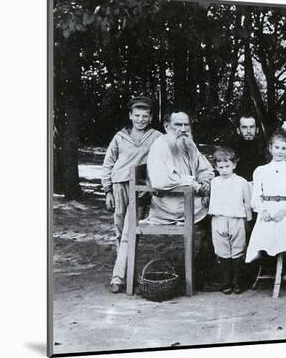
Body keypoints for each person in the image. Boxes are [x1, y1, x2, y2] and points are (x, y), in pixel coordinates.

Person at [109, 111, 214, 293]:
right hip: (170, 206)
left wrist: (204, 181)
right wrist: (194, 184)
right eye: (178, 125)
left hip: (189, 201)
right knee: (217, 216)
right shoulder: (161, 146)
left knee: (224, 214)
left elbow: (204, 167)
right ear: (167, 127)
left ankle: (203, 273)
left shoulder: (189, 144)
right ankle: (201, 276)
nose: (183, 129)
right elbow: (161, 181)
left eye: (186, 125)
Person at [102, 96, 162, 251]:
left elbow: (165, 160)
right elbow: (108, 163)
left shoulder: (157, 137)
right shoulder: (119, 137)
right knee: (120, 223)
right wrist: (108, 190)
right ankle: (121, 267)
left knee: (134, 225)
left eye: (145, 116)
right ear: (130, 116)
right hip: (119, 184)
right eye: (137, 115)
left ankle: (128, 264)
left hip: (141, 187)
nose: (140, 120)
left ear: (151, 118)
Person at [245, 132, 286, 263]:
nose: (280, 151)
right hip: (267, 210)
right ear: (270, 148)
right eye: (277, 148)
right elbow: (255, 197)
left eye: (284, 148)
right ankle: (269, 266)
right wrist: (262, 210)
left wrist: (285, 210)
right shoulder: (261, 170)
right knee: (265, 236)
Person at [208, 147, 253, 294]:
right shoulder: (214, 182)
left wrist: (248, 219)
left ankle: (237, 282)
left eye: (227, 166)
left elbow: (247, 202)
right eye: (220, 167)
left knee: (238, 249)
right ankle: (226, 282)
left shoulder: (241, 182)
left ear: (234, 165)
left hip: (236, 219)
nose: (224, 170)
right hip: (219, 219)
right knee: (222, 250)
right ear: (216, 167)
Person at [224, 114, 268, 182]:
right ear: (238, 130)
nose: (249, 131)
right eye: (244, 127)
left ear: (257, 130)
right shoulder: (230, 151)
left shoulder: (265, 149)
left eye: (252, 127)